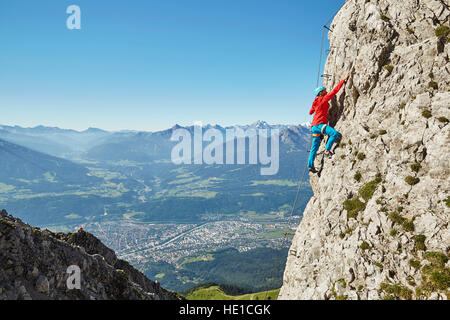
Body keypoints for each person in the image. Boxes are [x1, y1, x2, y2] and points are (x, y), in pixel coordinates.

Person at [308, 72, 350, 173]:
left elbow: (310, 112)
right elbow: (334, 91)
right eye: (324, 90)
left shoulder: (316, 101)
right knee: (334, 134)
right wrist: (343, 80)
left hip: (314, 126)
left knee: (314, 147)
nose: (326, 91)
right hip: (320, 125)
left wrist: (316, 108)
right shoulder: (323, 99)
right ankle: (327, 150)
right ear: (321, 93)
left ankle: (310, 165)